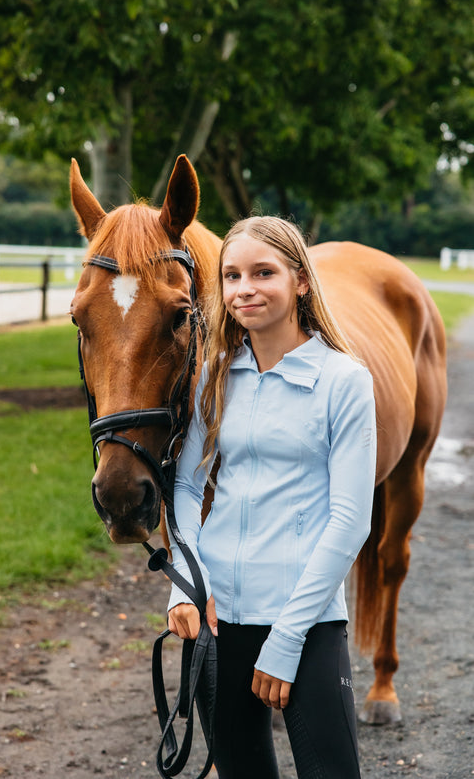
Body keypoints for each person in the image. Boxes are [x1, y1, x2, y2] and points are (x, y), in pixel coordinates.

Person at [166, 216, 377, 779]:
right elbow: (185, 485)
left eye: (264, 272)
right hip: (219, 622)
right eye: (232, 276)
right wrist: (182, 587)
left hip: (305, 624)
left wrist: (287, 638)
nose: (245, 289)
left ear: (301, 281)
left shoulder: (344, 381)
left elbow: (352, 520)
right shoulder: (215, 375)